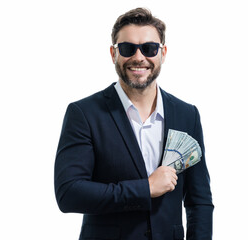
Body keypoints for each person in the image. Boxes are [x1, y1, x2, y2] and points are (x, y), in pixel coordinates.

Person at [54, 8, 214, 240]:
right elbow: (69, 193)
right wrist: (145, 188)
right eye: (128, 48)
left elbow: (199, 201)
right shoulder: (84, 113)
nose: (139, 57)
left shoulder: (187, 114)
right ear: (113, 53)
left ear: (163, 53)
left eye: (149, 48)